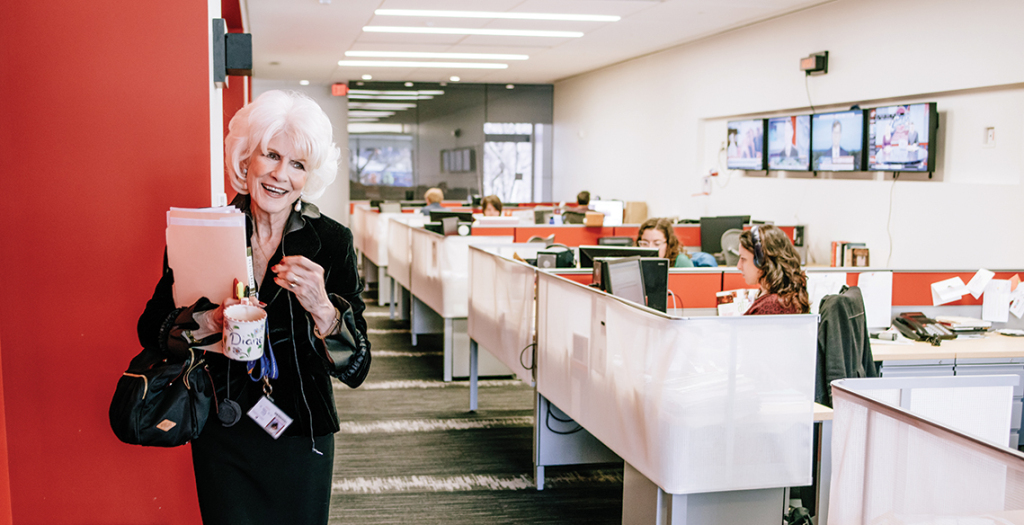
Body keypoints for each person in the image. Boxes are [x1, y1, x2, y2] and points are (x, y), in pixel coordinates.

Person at [137, 90, 370, 525]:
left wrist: (322, 307)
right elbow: (150, 329)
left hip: (302, 434)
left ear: (309, 176)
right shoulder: (205, 232)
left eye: (298, 164)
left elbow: (357, 368)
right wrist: (207, 321)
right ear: (246, 160)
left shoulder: (331, 242)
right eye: (272, 155)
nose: (281, 175)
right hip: (222, 429)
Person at [736, 224, 809, 315]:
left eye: (743, 259)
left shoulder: (772, 305)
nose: (739, 266)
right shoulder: (778, 297)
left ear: (762, 261)